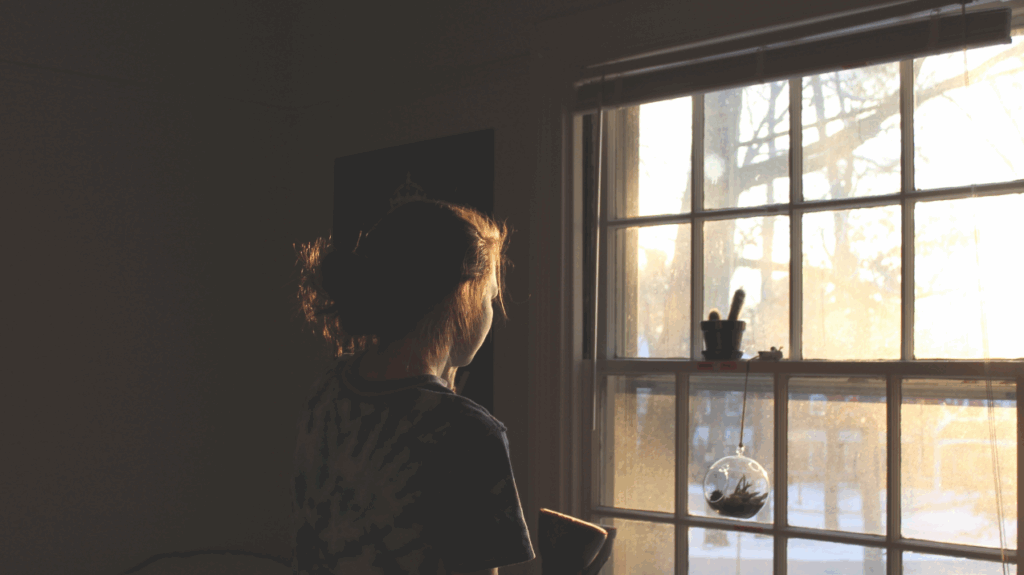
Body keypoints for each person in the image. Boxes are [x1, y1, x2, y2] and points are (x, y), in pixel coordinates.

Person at [290, 199, 534, 575]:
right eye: (491, 296)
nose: (492, 311)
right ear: (461, 299)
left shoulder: (327, 391)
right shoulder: (470, 434)